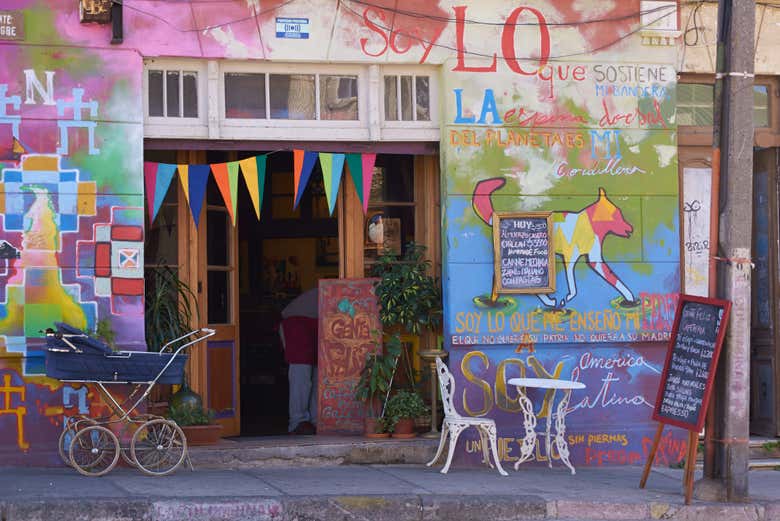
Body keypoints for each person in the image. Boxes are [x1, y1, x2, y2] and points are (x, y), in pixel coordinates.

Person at [279, 288, 319, 435]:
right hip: (296, 323)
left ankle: (316, 419)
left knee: (319, 374)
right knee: (301, 376)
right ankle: (297, 421)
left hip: (316, 323)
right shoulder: (339, 293)